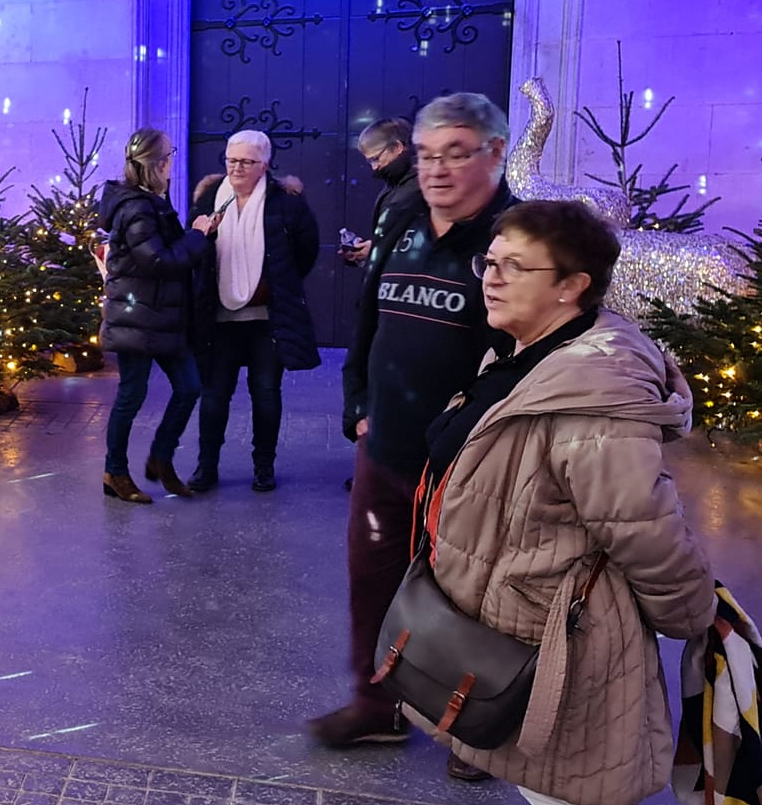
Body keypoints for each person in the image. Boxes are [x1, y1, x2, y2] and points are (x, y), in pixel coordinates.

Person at [413, 201, 715, 805]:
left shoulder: (590, 393)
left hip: (569, 625)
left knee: (569, 792)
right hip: (522, 609)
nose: (491, 277)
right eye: (490, 261)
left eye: (515, 267)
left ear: (574, 286)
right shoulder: (530, 355)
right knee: (548, 787)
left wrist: (693, 615)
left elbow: (641, 525)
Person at [308, 92, 515, 765]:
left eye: (455, 153)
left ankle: (472, 728)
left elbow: (528, 356)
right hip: (387, 449)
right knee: (372, 580)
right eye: (427, 155)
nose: (437, 170)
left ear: (495, 153)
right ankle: (378, 706)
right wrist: (358, 402)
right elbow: (368, 318)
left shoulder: (516, 240)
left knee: (469, 600)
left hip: (468, 467)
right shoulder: (402, 221)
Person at [185, 130, 321, 493]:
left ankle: (264, 467)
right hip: (219, 318)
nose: (237, 168)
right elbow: (192, 250)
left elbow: (306, 251)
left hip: (267, 318)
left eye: (246, 162)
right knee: (214, 395)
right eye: (231, 160)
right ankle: (206, 467)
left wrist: (276, 283)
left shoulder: (286, 202)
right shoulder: (208, 199)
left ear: (264, 164)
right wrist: (204, 238)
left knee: (265, 393)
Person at [96, 128, 209, 502]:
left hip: (161, 317)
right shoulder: (137, 208)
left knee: (189, 386)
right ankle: (115, 472)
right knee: (132, 394)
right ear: (160, 163)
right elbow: (158, 260)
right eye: (170, 155)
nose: (172, 162)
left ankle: (161, 457)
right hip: (138, 317)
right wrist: (197, 236)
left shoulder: (152, 200)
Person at [342, 117, 416, 265]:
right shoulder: (395, 182)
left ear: (397, 147)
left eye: (375, 158)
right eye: (370, 161)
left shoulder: (419, 187)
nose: (374, 167)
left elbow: (418, 244)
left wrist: (376, 250)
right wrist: (373, 249)